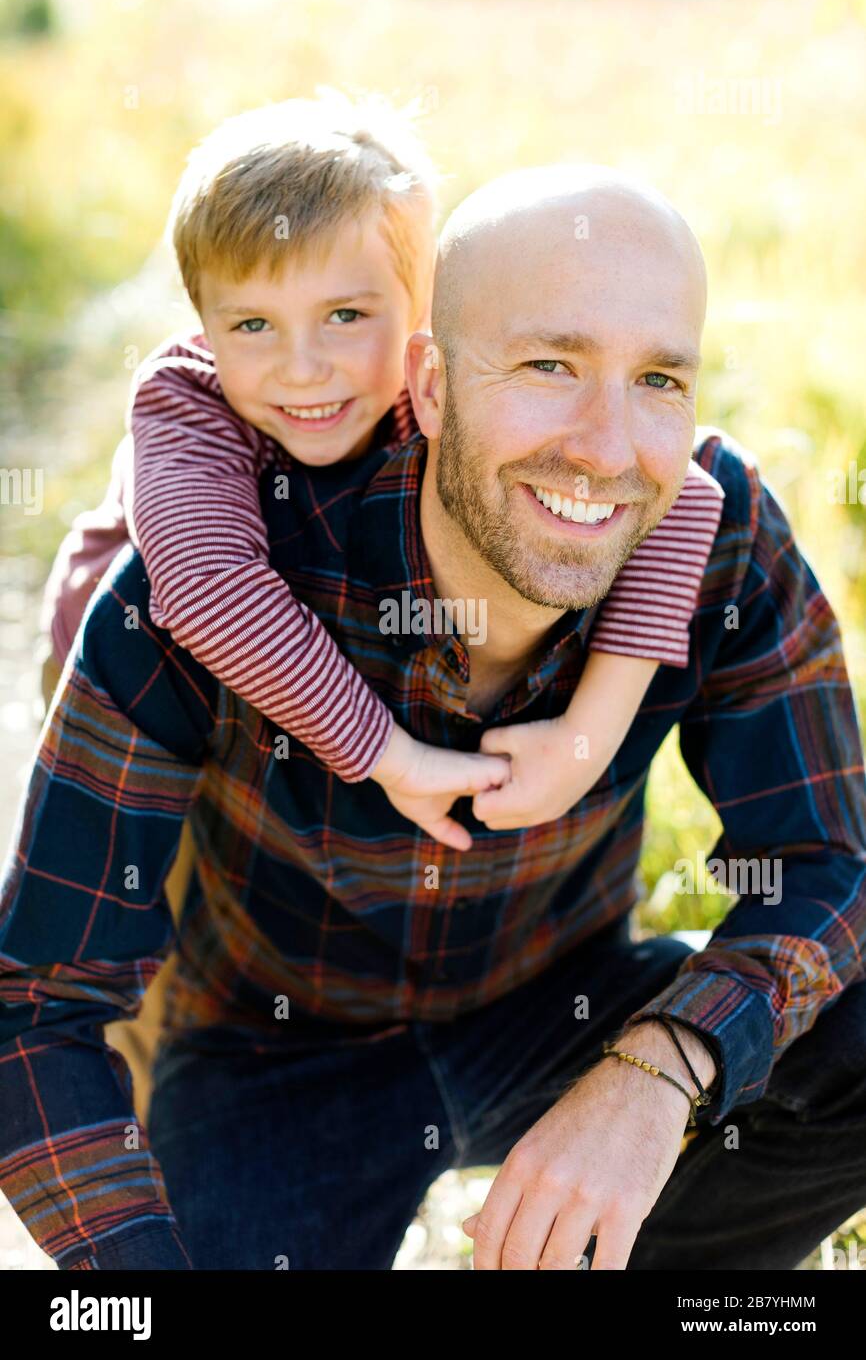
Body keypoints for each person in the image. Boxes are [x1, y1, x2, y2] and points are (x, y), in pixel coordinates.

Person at [2, 164, 864, 1271]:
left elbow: (824, 861)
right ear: (433, 383)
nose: (606, 448)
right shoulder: (207, 588)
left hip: (565, 1002)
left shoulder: (712, 535)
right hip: (277, 1055)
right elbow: (39, 1006)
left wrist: (662, 1063)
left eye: (655, 379)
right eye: (549, 366)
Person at [36, 96, 723, 1121]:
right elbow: (206, 590)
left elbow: (691, 499)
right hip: (161, 695)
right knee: (157, 947)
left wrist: (589, 732)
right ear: (201, 325)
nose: (301, 367)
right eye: (251, 324)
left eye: (345, 317)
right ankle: (157, 1124)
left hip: (306, 670)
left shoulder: (433, 394)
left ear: (421, 318)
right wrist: (387, 756)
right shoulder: (187, 406)